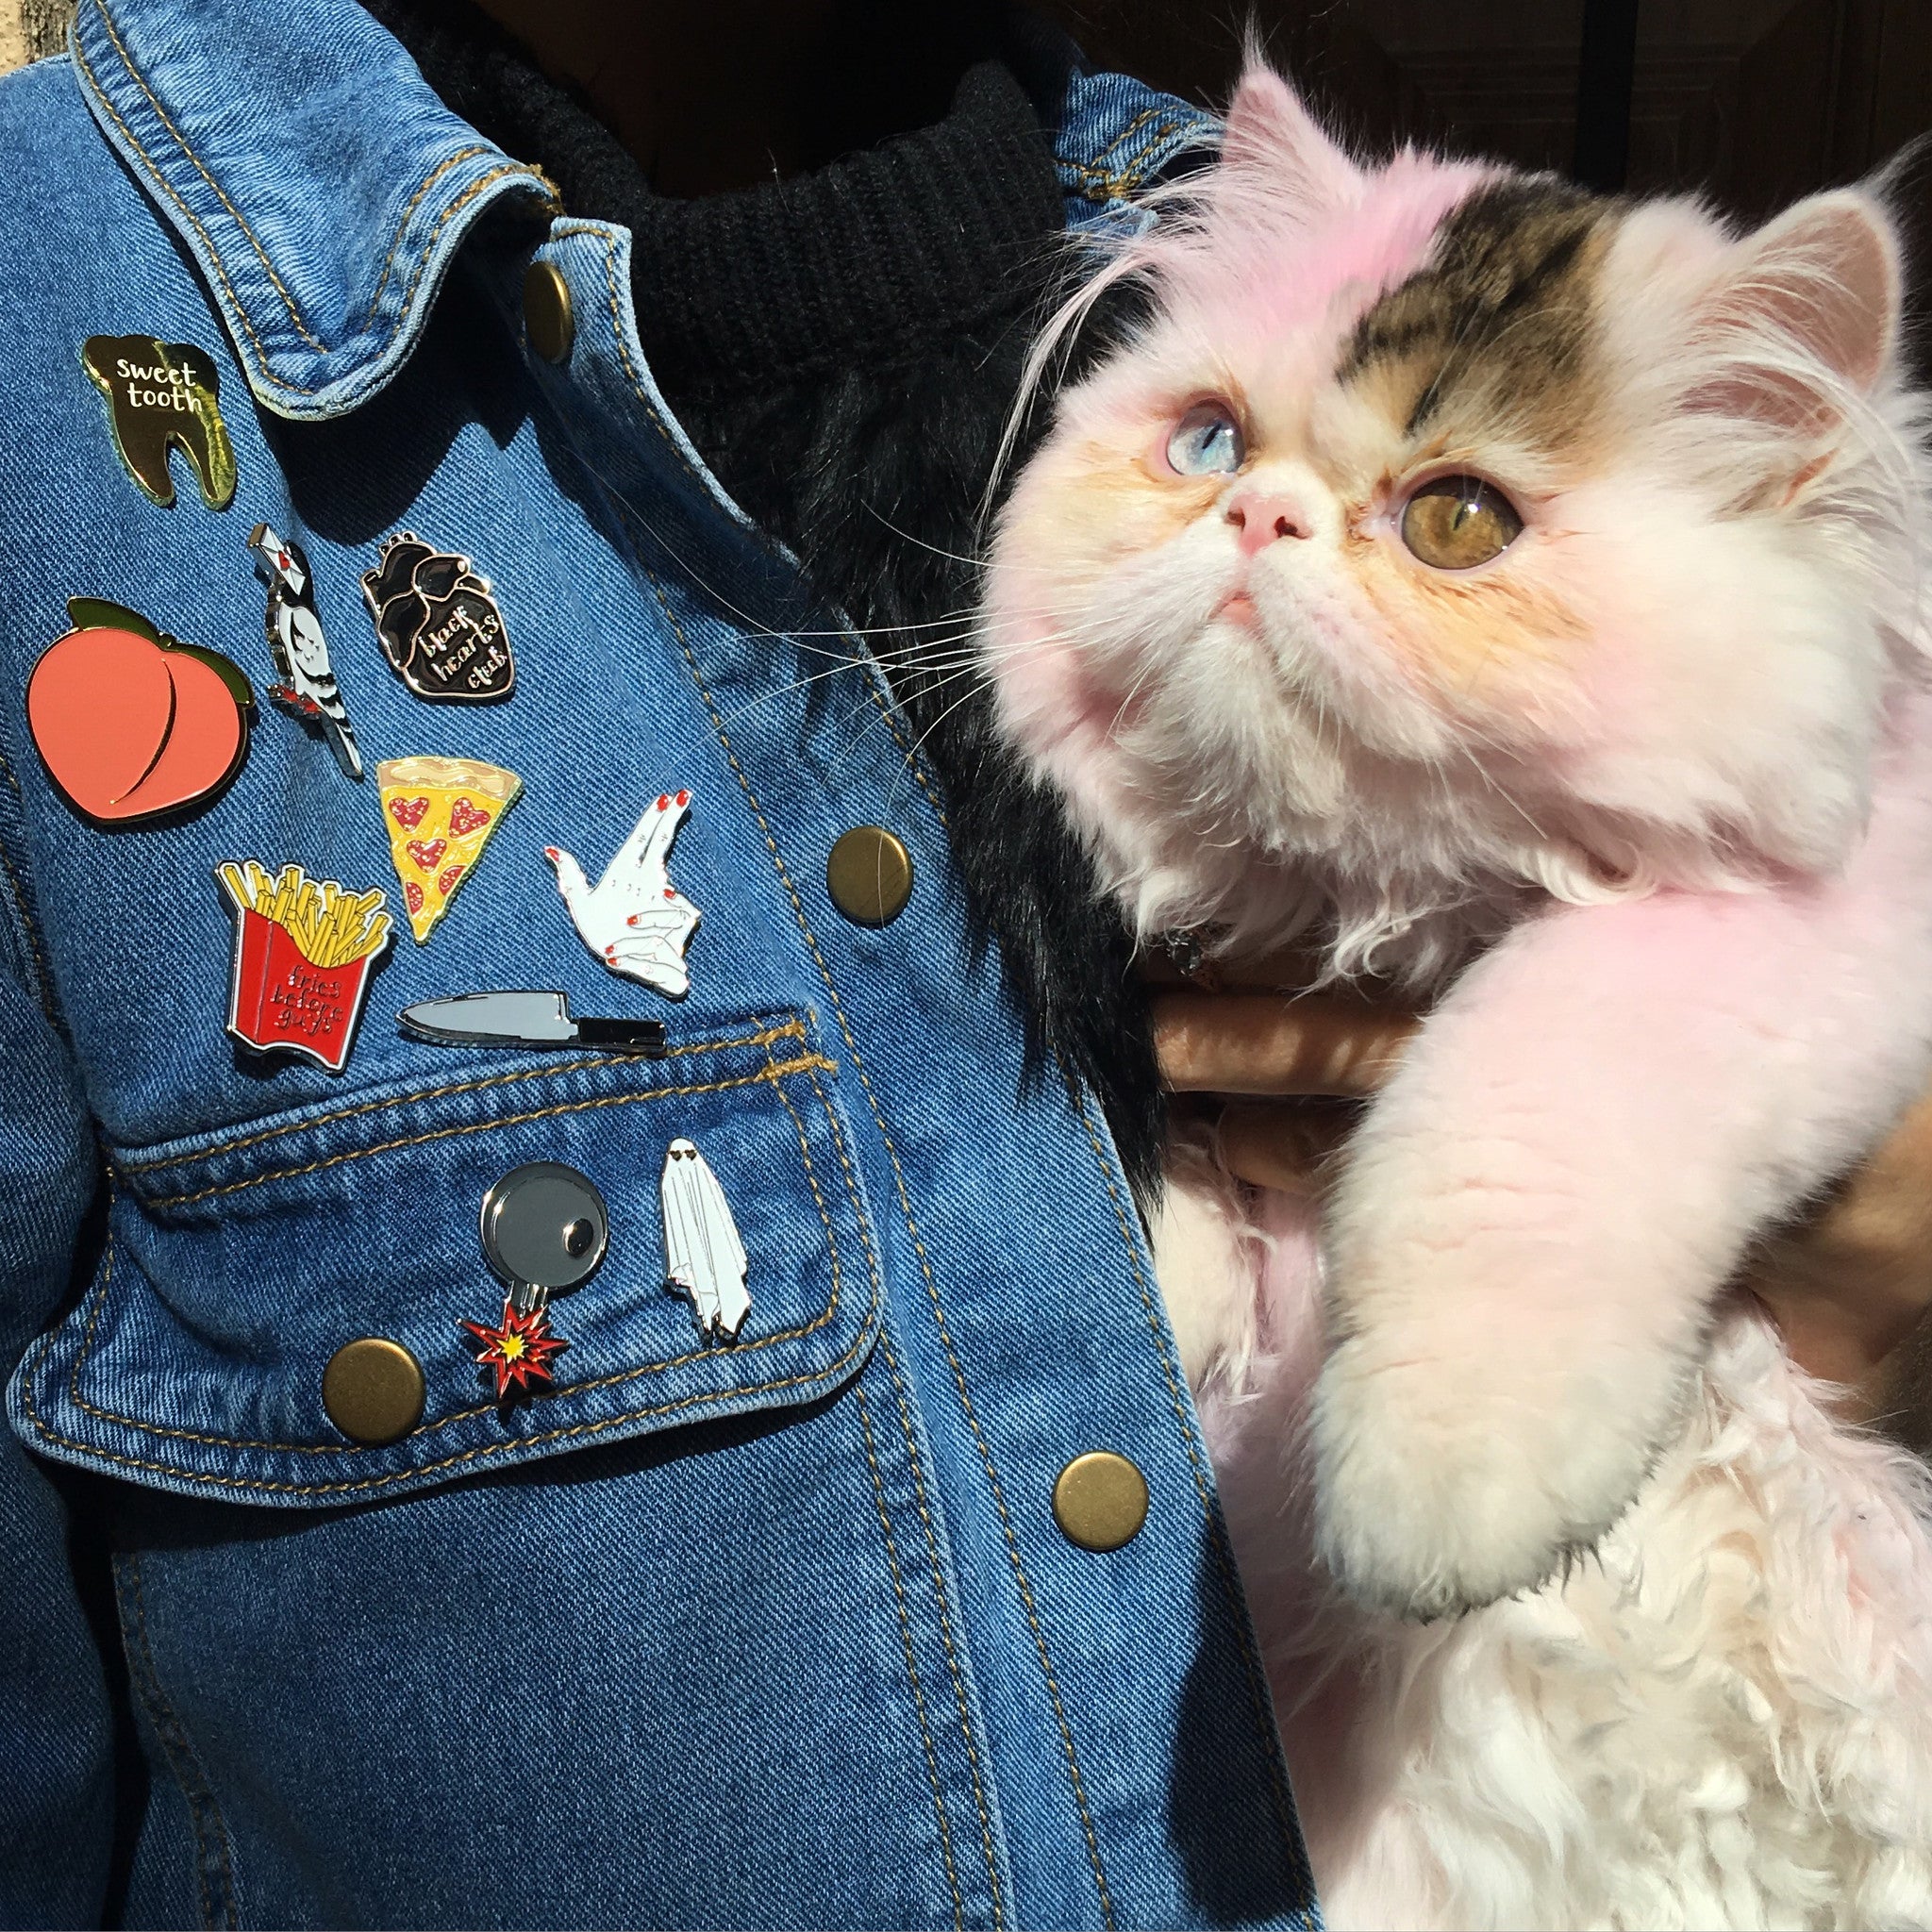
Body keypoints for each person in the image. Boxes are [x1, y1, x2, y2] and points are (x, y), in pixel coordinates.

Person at [0, 2, 1924, 1925]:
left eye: (1446, 513)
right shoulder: (56, 333)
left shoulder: (1257, 219)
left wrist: (1841, 1239)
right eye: (1217, 449)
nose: (1268, 522)